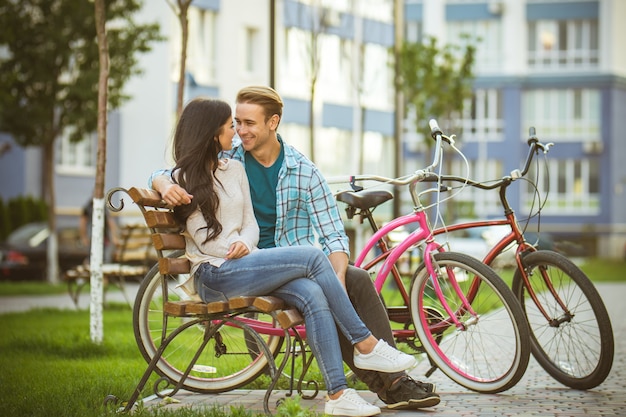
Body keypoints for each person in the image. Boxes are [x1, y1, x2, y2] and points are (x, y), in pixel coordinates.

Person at [150, 86, 440, 410]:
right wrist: (163, 183)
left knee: (351, 278)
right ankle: (380, 364)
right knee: (317, 267)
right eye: (237, 123)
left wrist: (337, 282)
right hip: (242, 268)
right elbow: (177, 169)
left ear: (273, 122)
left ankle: (362, 388)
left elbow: (333, 235)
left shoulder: (303, 171)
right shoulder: (227, 157)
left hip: (287, 267)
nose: (241, 130)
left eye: (248, 123)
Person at [79, 198, 118, 262]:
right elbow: (83, 223)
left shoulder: (104, 206)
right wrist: (84, 237)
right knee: (92, 257)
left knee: (106, 257)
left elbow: (110, 221)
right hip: (92, 237)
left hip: (105, 237)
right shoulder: (89, 207)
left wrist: (114, 236)